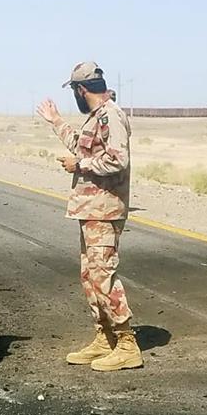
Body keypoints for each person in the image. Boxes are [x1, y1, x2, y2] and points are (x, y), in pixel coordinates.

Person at [36, 62, 143, 371]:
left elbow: (117, 160)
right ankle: (106, 335)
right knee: (90, 276)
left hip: (105, 209)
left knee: (103, 274)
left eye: (75, 92)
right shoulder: (97, 118)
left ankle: (126, 342)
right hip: (92, 209)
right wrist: (56, 121)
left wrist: (80, 166)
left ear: (81, 90)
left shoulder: (111, 116)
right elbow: (82, 148)